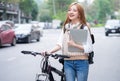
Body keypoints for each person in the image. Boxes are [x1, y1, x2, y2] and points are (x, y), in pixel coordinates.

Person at [43, 2, 93, 81]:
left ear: (79, 14)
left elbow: (89, 48)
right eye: (69, 10)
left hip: (82, 62)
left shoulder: (84, 27)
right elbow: (60, 44)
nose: (71, 12)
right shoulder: (66, 27)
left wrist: (74, 45)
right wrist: (49, 51)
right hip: (68, 62)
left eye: (74, 10)